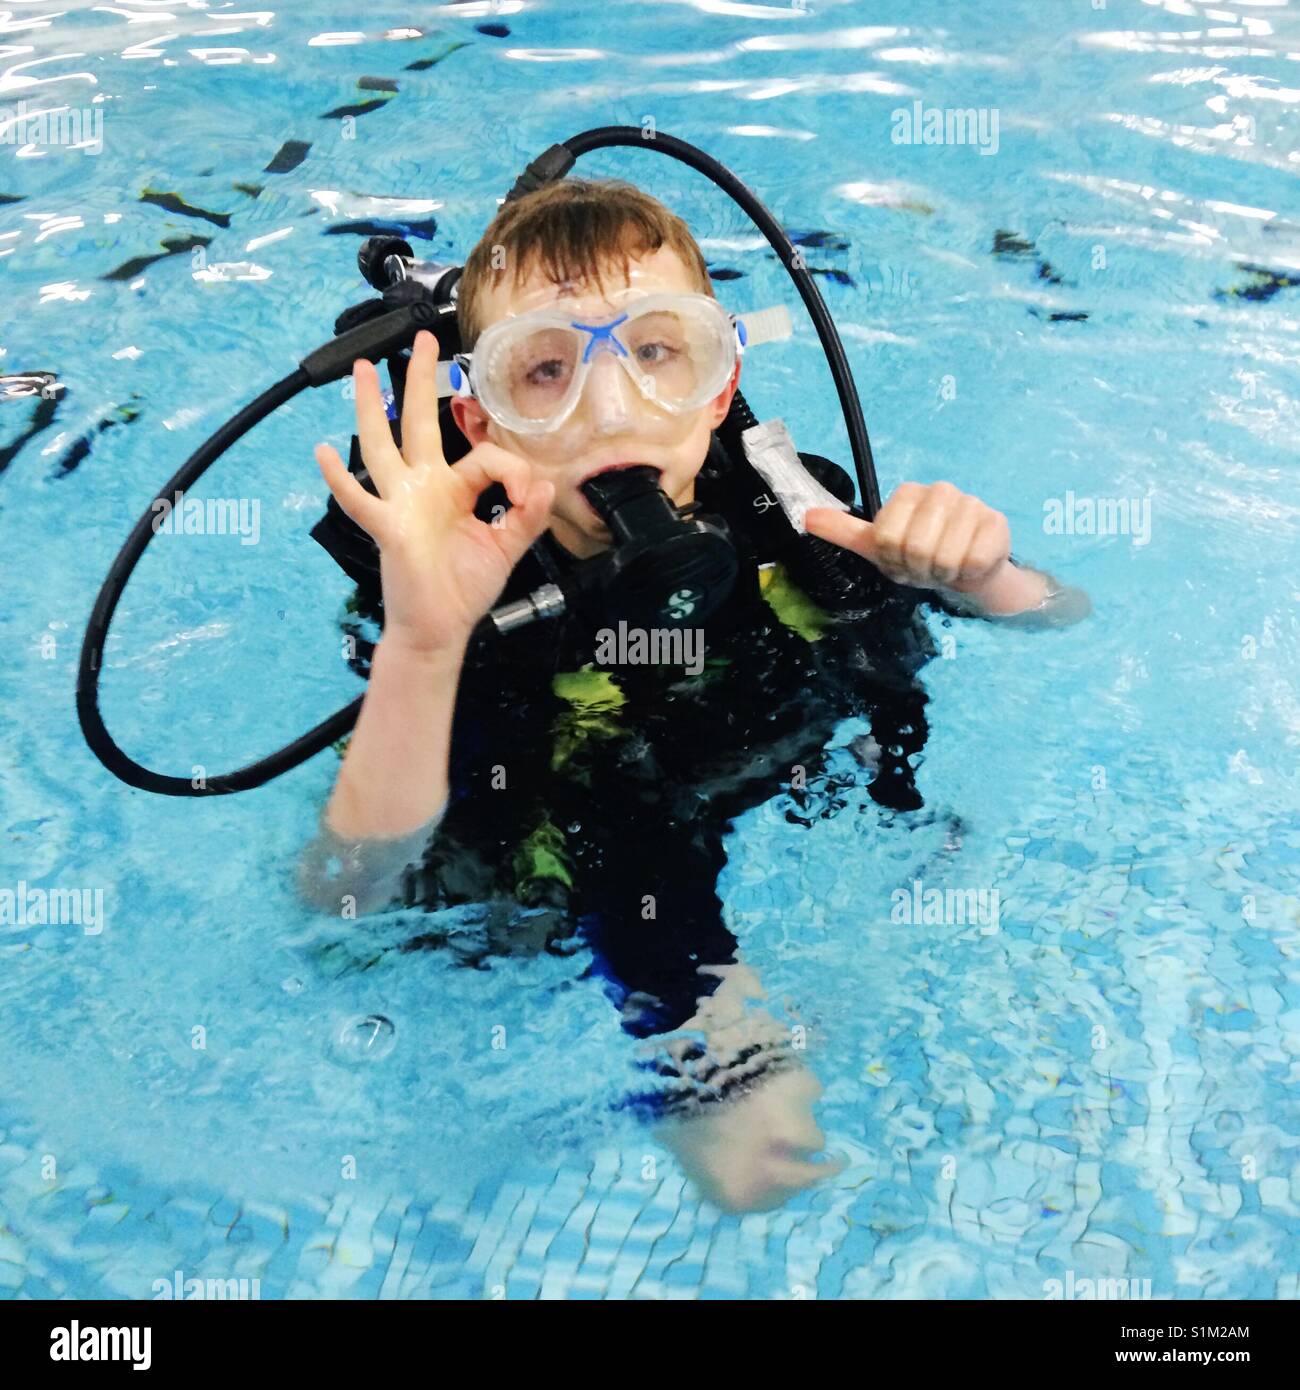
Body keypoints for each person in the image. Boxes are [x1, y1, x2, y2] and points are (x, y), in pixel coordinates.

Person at [297, 178, 1089, 1213]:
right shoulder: (463, 588)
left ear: (718, 387)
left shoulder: (788, 513)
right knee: (603, 820)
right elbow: (343, 895)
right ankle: (714, 1057)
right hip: (578, 816)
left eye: (658, 350)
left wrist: (977, 574)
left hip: (762, 743)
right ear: (478, 419)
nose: (612, 403)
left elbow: (1063, 619)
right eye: (546, 369)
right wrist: (423, 645)